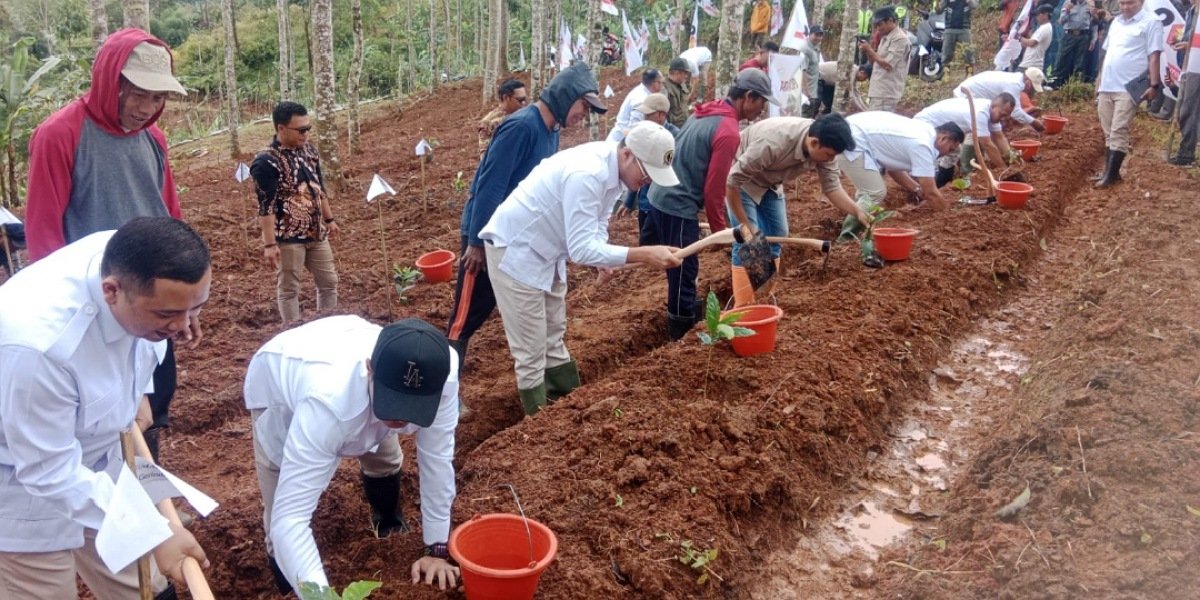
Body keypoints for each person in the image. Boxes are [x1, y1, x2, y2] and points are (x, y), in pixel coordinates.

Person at [0, 217, 212, 599]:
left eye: (195, 307)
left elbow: (137, 345)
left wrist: (137, 391)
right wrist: (154, 532)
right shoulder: (41, 348)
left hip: (99, 459)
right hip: (20, 483)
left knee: (147, 588)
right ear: (111, 291)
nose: (183, 327)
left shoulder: (135, 258)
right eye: (167, 315)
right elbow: (48, 471)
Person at [23, 28, 193, 461]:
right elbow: (43, 232)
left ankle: (145, 488)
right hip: (97, 308)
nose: (147, 108)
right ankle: (102, 491)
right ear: (109, 81)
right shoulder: (61, 134)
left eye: (158, 98)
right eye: (138, 95)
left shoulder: (153, 140)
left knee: (150, 408)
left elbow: (169, 218)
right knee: (98, 415)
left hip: (152, 301)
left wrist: (184, 302)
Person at [245, 316, 460, 595]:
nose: (400, 419)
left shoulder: (441, 373)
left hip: (354, 361)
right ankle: (289, 590)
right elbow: (290, 520)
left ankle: (389, 522)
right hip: (280, 384)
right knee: (279, 506)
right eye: (392, 403)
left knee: (385, 458)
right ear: (369, 369)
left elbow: (437, 461)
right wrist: (321, 597)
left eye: (412, 408)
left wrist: (436, 548)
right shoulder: (326, 405)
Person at [480, 122, 682, 415]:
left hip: (547, 251)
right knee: (531, 350)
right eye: (647, 172)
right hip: (516, 252)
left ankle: (568, 410)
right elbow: (580, 248)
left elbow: (597, 223)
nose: (648, 181)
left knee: (553, 335)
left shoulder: (615, 173)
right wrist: (642, 254)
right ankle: (539, 426)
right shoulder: (587, 174)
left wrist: (603, 257)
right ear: (627, 154)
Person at [446, 62, 607, 366]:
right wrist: (477, 243)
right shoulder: (521, 127)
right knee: (466, 314)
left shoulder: (551, 130)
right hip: (486, 233)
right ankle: (445, 382)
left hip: (514, 234)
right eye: (583, 107)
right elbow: (490, 186)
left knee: (489, 305)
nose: (583, 116)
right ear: (565, 97)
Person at [644, 70, 773, 337]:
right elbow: (715, 190)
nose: (762, 109)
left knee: (681, 268)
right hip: (677, 204)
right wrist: (719, 233)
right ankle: (681, 336)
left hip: (660, 195)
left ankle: (686, 317)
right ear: (749, 97)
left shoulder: (705, 112)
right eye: (762, 102)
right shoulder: (728, 131)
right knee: (683, 271)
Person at [725, 113, 867, 305]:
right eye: (829, 155)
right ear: (814, 143)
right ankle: (742, 308)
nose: (831, 159)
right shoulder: (773, 142)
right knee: (748, 242)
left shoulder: (826, 148)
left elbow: (832, 187)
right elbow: (732, 182)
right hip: (743, 181)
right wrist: (745, 224)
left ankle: (764, 298)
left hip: (771, 182)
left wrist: (857, 211)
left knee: (778, 234)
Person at [252, 101, 340, 324]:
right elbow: (266, 205)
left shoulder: (309, 151)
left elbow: (318, 187)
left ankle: (328, 326)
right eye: (301, 130)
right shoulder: (266, 162)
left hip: (317, 233)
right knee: (290, 289)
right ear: (281, 128)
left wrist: (329, 219)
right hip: (288, 238)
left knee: (329, 282)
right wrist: (270, 244)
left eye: (308, 129)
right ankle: (292, 331)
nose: (305, 134)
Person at [838, 112, 964, 241]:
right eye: (950, 149)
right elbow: (931, 192)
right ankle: (847, 238)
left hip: (853, 131)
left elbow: (893, 170)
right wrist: (948, 216)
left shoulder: (925, 133)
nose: (947, 154)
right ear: (943, 138)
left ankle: (856, 225)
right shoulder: (923, 145)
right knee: (874, 192)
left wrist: (917, 189)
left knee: (870, 191)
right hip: (852, 139)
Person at [1093, 0, 1163, 187]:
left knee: (1118, 129)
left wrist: (1154, 84)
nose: (1125, 7)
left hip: (1129, 86)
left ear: (1141, 2)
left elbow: (1154, 56)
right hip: (1107, 84)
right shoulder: (1116, 22)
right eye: (1122, 3)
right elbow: (1107, 53)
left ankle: (1110, 176)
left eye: (1130, 3)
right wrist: (1099, 79)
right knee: (1108, 130)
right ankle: (1110, 172)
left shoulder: (1151, 22)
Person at [915, 94, 1018, 186]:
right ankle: (923, 187)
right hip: (926, 124)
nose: (1003, 118)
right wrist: (1004, 170)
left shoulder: (993, 113)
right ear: (993, 106)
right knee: (931, 155)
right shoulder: (980, 112)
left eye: (1006, 115)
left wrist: (1012, 158)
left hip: (943, 128)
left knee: (953, 152)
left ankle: (942, 186)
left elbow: (999, 138)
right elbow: (987, 144)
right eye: (1002, 114)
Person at [619, 93, 681, 246]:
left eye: (648, 114)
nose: (644, 118)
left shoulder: (674, 138)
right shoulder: (641, 134)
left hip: (663, 205)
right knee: (646, 244)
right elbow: (635, 171)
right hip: (645, 202)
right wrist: (629, 201)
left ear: (661, 115)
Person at [954, 68, 1048, 132]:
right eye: (1032, 86)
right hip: (966, 95)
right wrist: (1033, 122)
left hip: (972, 93)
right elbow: (1015, 112)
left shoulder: (1016, 78)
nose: (1031, 90)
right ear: (1027, 80)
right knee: (975, 128)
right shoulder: (1014, 84)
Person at [859, 7, 911, 111]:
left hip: (886, 93)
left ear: (890, 21)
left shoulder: (900, 38)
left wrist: (869, 50)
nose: (878, 28)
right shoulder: (885, 37)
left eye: (880, 25)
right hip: (878, 91)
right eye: (876, 26)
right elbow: (874, 63)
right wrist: (869, 50)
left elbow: (888, 65)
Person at [1169, 0, 1199, 165]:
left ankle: (1187, 153)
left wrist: (1190, 45)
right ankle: (1187, 150)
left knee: (1189, 109)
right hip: (1189, 66)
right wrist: (1181, 41)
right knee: (1186, 109)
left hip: (1196, 67)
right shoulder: (1191, 11)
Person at [608, 69, 664, 142]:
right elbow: (634, 129)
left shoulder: (642, 92)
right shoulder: (641, 100)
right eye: (661, 83)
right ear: (655, 84)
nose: (662, 86)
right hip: (621, 142)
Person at [478, 78, 528, 158]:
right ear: (506, 98)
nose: (524, 103)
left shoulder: (526, 116)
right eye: (520, 100)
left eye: (525, 99)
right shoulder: (488, 123)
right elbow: (486, 157)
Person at [1051, 0, 1096, 86]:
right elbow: (1061, 21)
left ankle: (1076, 86)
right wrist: (1067, 11)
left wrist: (1093, 39)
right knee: (1061, 60)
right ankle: (1054, 84)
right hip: (1069, 35)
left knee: (1080, 63)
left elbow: (1094, 24)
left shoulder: (1089, 4)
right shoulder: (1068, 2)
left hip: (1083, 36)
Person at [798, 27, 827, 117]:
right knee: (804, 118)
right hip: (807, 92)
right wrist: (805, 91)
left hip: (814, 91)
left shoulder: (816, 48)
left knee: (810, 116)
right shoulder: (805, 49)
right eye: (816, 35)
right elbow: (803, 70)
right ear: (810, 34)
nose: (818, 38)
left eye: (820, 35)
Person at [943, 0, 980, 66]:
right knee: (946, 57)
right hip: (949, 29)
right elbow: (938, 10)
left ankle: (969, 72)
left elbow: (974, 6)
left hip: (964, 29)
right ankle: (945, 72)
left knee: (968, 56)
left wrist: (968, 1)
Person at [1019, 6, 1055, 71]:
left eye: (1038, 14)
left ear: (1045, 15)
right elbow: (1028, 44)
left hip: (1032, 65)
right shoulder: (1043, 27)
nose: (1037, 17)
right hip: (1030, 64)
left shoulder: (1045, 28)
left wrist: (1019, 37)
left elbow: (1031, 43)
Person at [664, 57, 693, 127]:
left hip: (685, 125)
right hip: (672, 128)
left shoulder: (682, 84)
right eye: (685, 73)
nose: (686, 76)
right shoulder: (664, 87)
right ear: (677, 72)